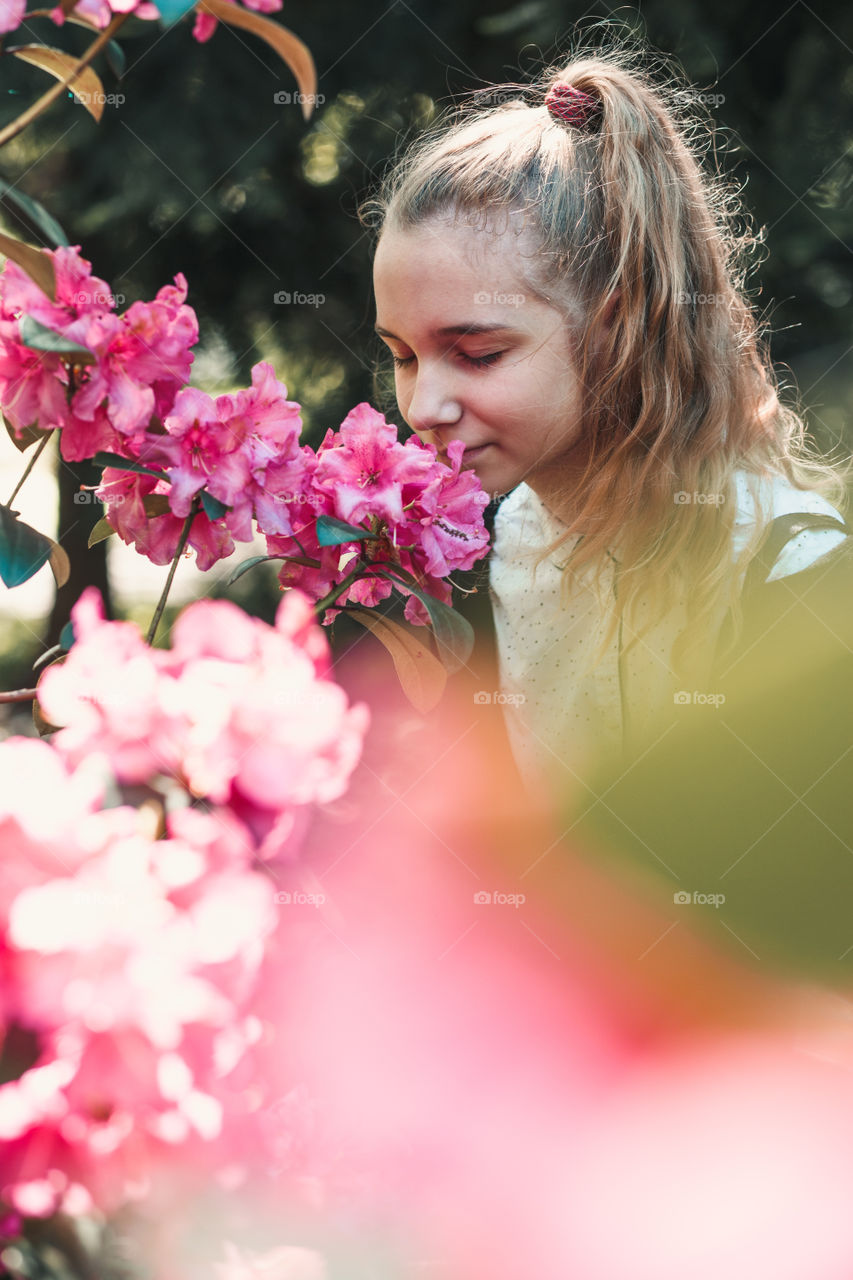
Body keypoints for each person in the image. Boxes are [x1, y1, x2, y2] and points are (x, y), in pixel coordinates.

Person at [361, 42, 851, 805]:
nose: (425, 408)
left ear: (617, 327)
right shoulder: (506, 545)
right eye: (402, 356)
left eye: (479, 354)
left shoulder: (791, 573)